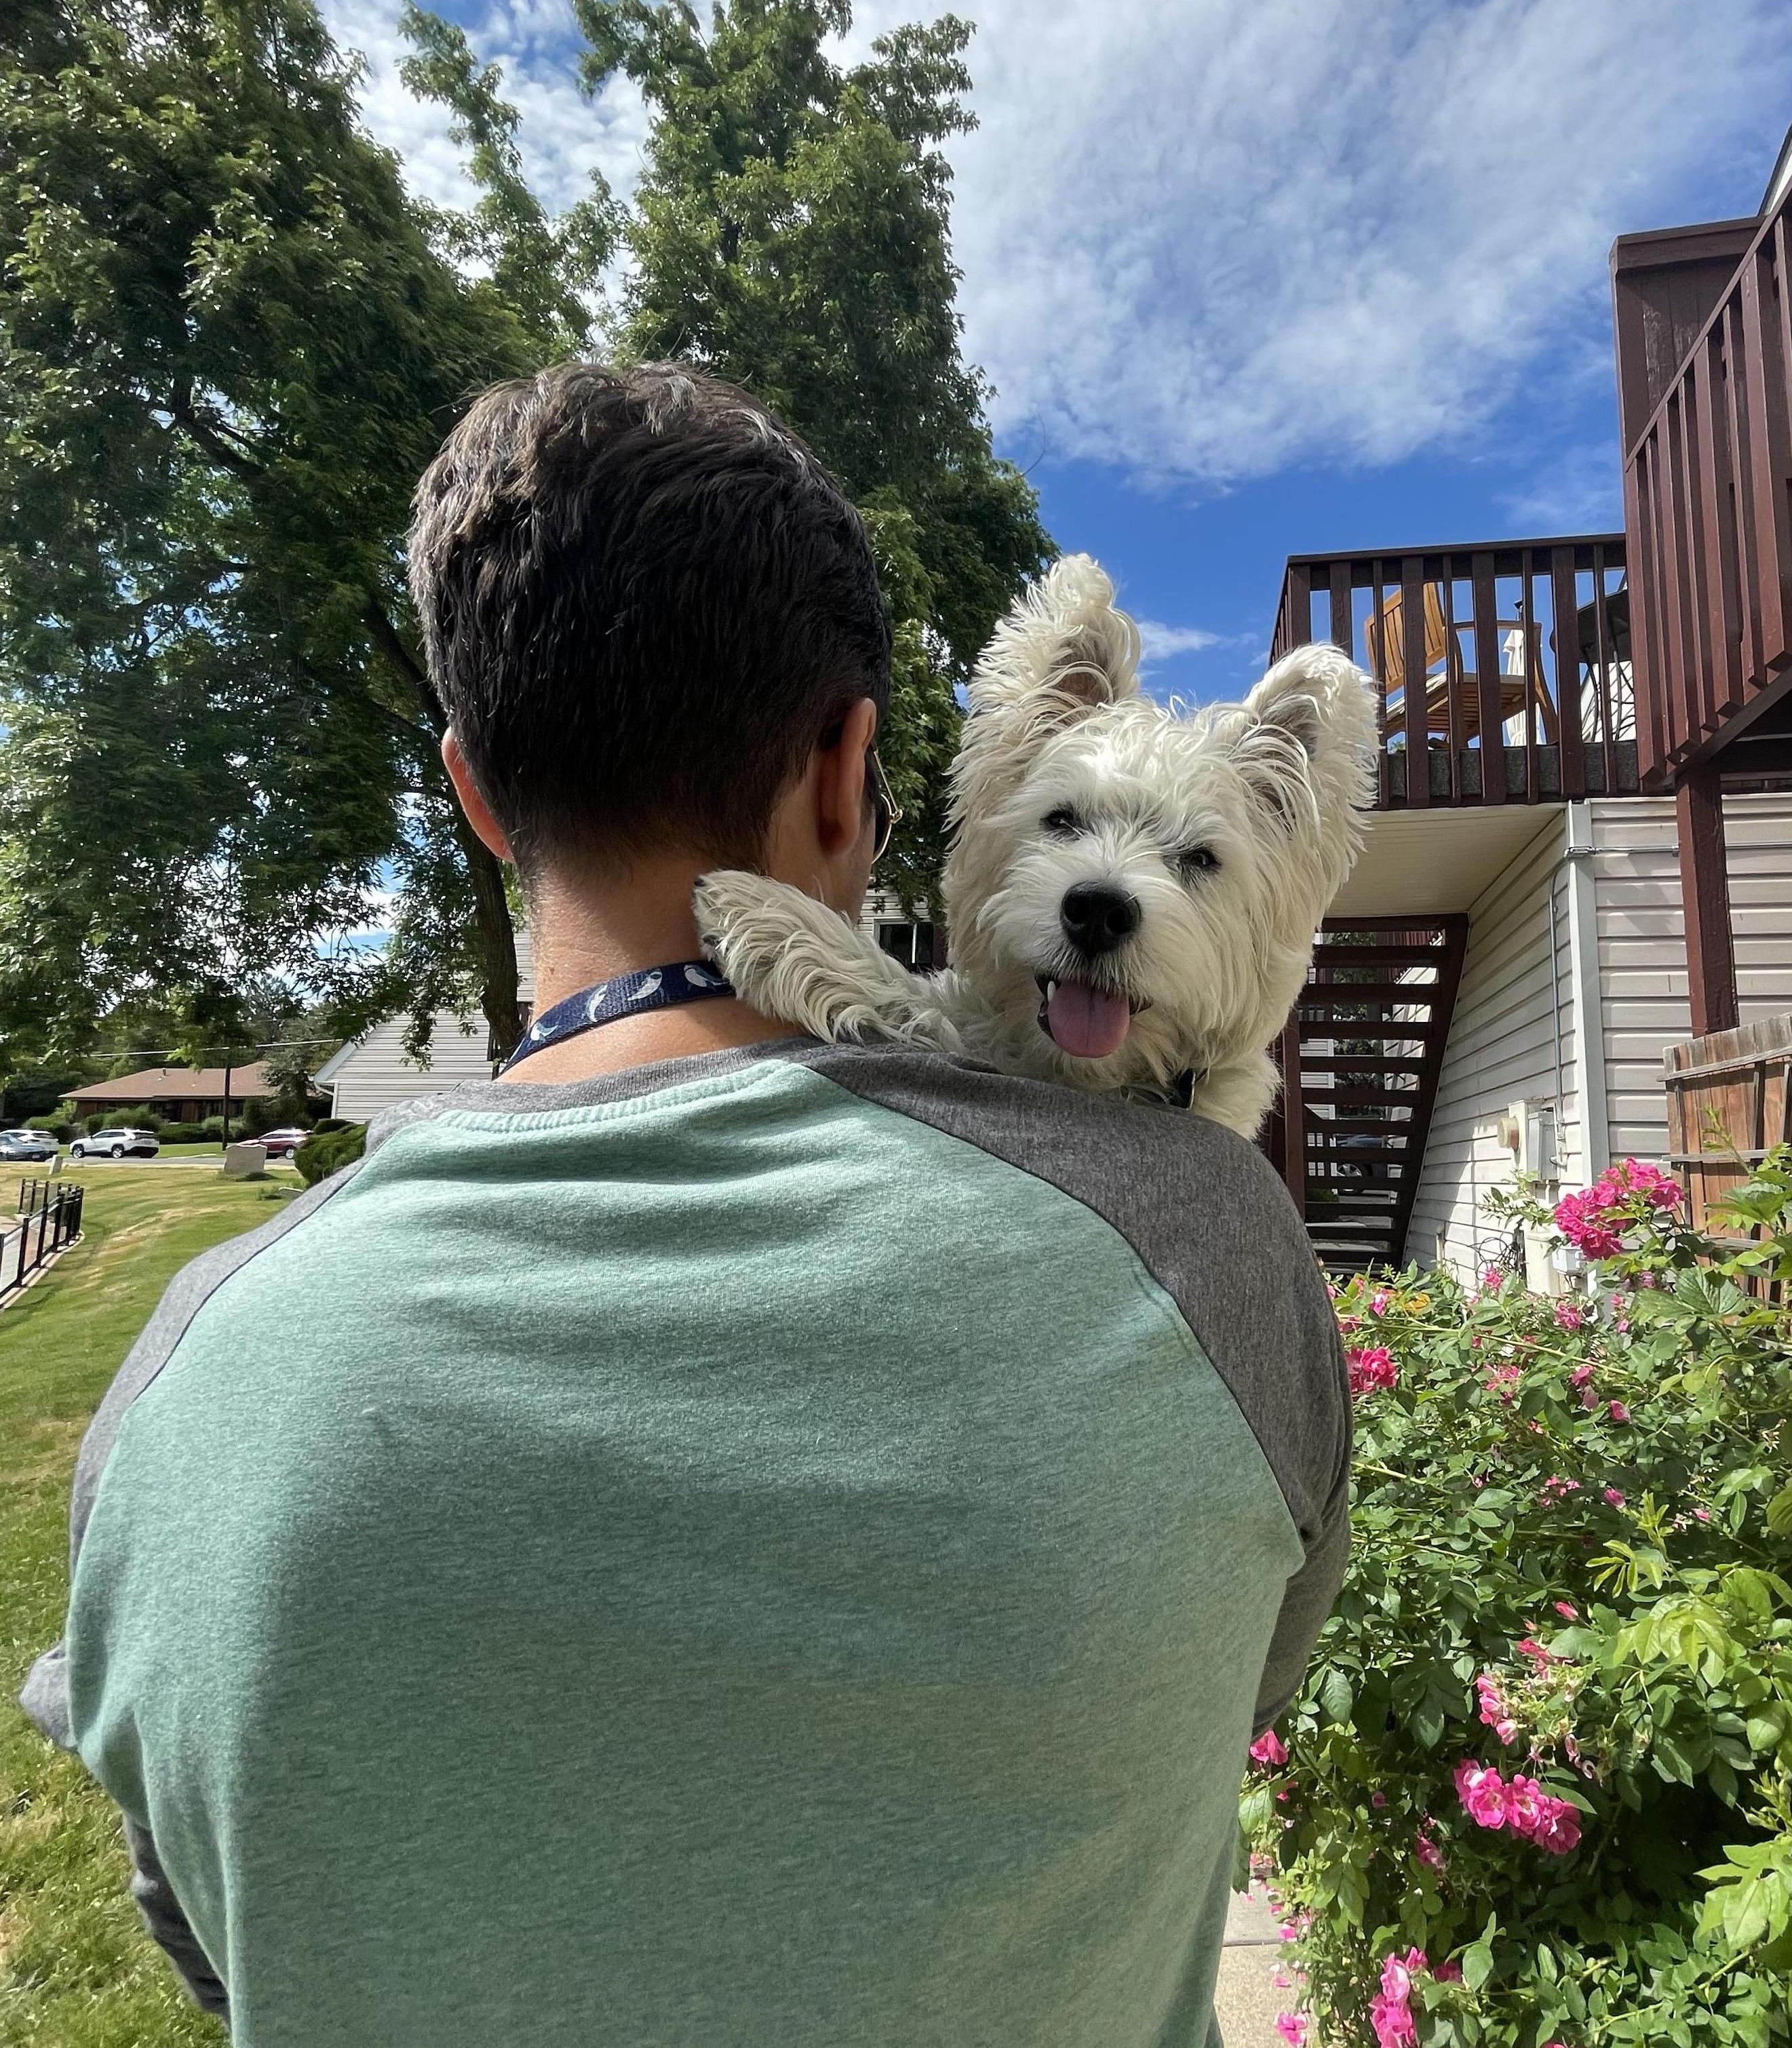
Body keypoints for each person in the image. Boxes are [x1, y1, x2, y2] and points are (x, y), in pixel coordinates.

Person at [21, 362, 1349, 2047]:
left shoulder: (188, 1377)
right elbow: (1238, 1690)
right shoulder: (1218, 1261)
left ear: (474, 791)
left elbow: (200, 1926)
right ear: (846, 772)